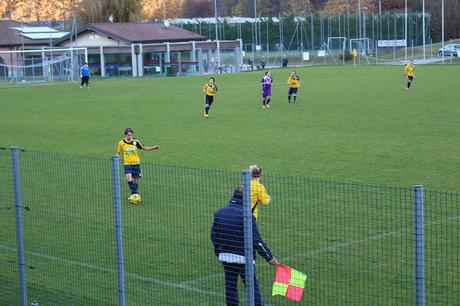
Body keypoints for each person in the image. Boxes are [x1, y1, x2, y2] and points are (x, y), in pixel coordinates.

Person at [211, 186, 280, 306]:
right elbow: (256, 240)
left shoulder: (219, 213)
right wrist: (269, 257)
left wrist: (219, 253)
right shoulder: (247, 216)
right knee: (252, 288)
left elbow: (214, 236)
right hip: (244, 259)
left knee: (230, 288)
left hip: (226, 257)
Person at [116, 128, 160, 197]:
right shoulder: (121, 143)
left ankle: (134, 192)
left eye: (131, 135)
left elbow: (144, 148)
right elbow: (118, 153)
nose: (130, 136)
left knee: (135, 181)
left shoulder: (136, 142)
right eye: (128, 135)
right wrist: (116, 159)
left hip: (136, 163)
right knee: (128, 178)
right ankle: (135, 193)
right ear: (125, 135)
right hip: (127, 164)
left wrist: (153, 148)